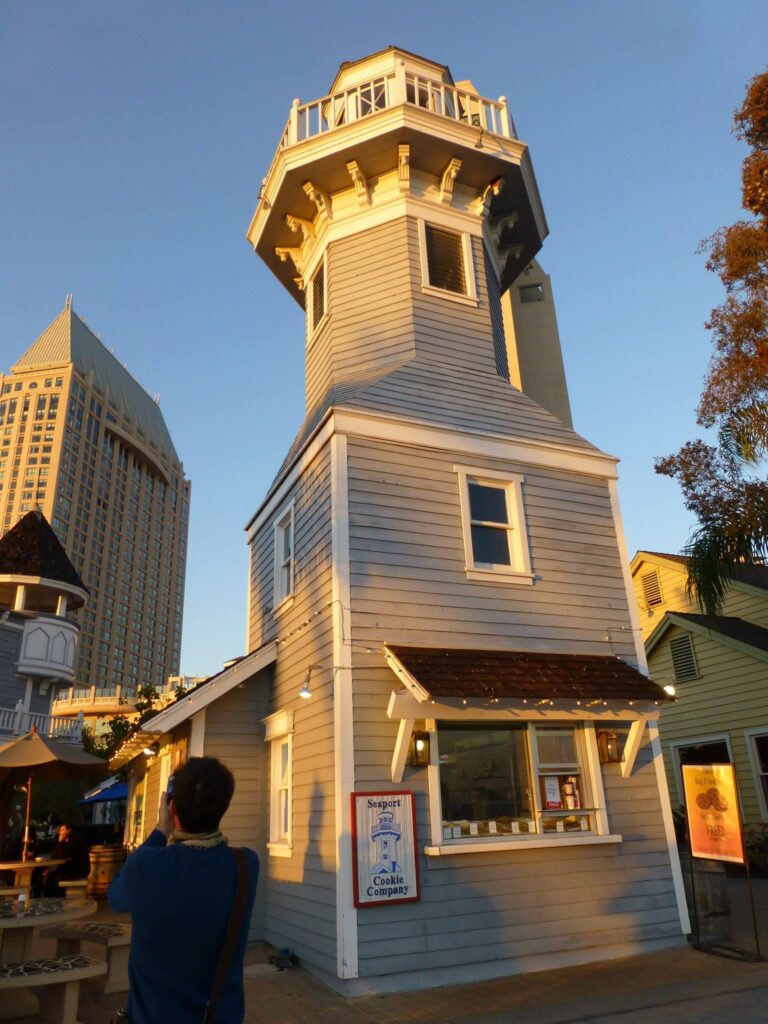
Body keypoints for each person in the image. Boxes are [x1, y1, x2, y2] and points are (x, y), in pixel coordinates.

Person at [109, 757, 258, 1024]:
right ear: (224, 807)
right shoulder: (246, 865)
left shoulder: (146, 865)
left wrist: (161, 829)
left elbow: (116, 899)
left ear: (172, 807)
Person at [43, 821, 90, 896]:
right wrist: (60, 842)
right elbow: (54, 854)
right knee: (49, 877)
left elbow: (63, 855)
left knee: (57, 879)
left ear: (69, 831)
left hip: (78, 870)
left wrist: (60, 842)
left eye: (62, 830)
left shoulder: (75, 841)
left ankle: (59, 899)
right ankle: (48, 899)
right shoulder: (64, 842)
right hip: (68, 869)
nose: (60, 833)